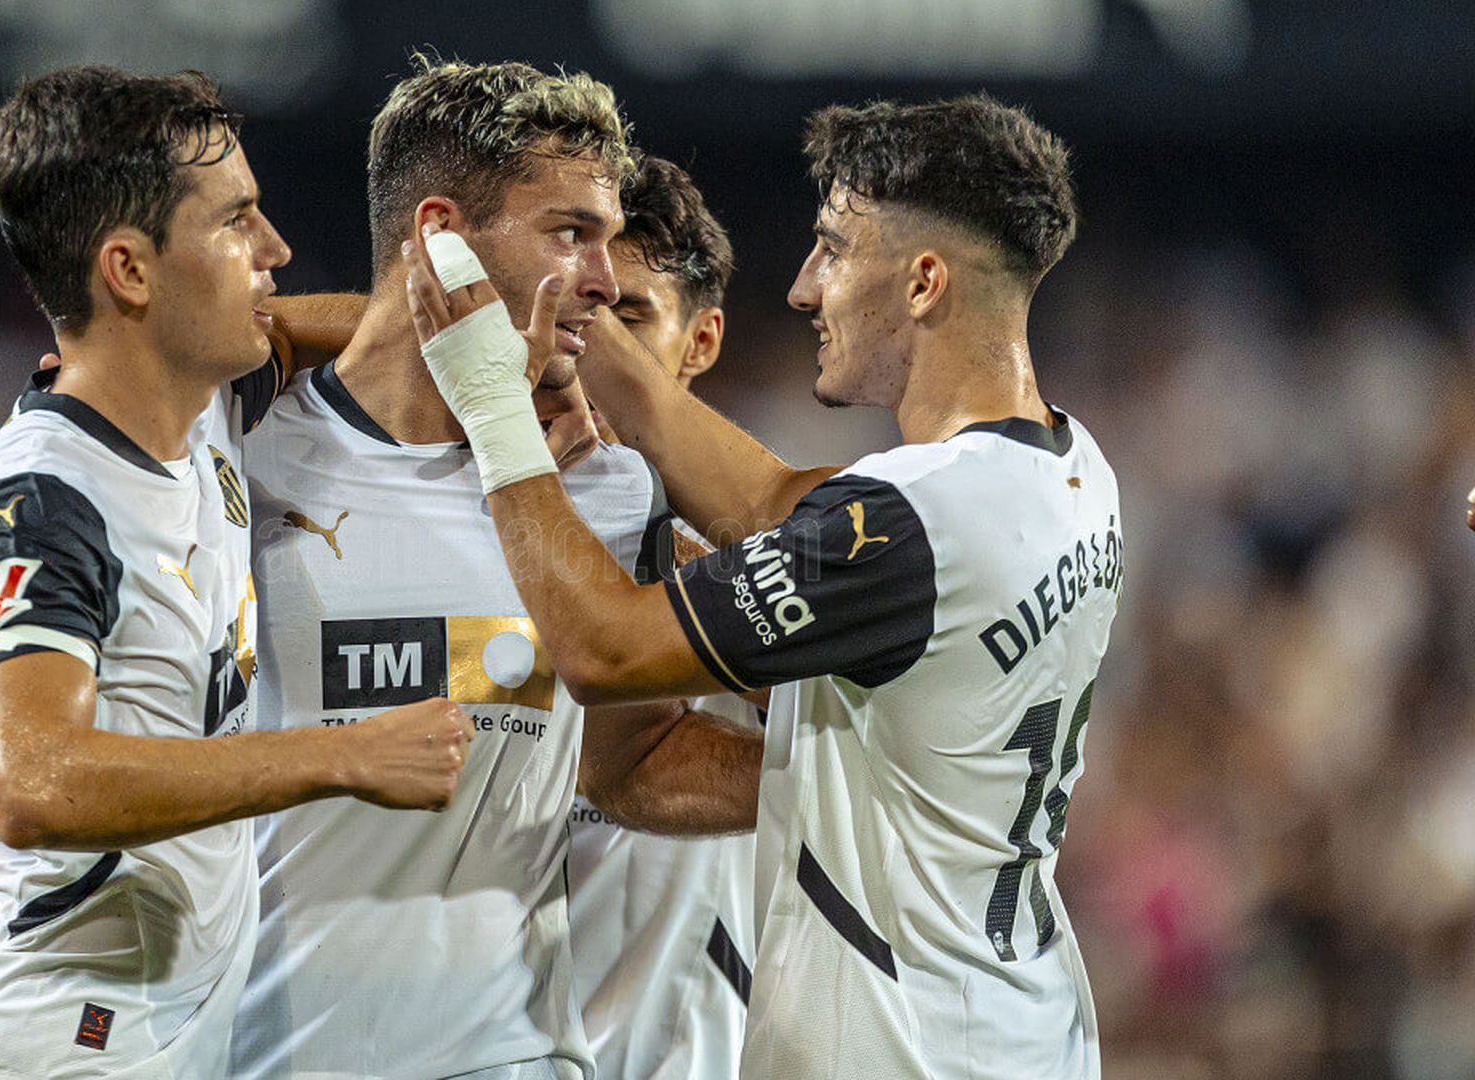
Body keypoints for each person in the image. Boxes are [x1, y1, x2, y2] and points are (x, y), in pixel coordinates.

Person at [407, 95, 1119, 1079]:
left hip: (912, 1053)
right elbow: (767, 501)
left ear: (923, 282)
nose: (801, 287)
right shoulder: (1070, 468)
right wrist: (571, 308)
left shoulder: (913, 525)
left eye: (833, 250)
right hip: (1021, 1025)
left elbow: (604, 652)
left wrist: (492, 404)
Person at [0, 66, 473, 1079]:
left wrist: (497, 350)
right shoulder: (36, 503)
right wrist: (339, 755)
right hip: (58, 1053)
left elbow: (321, 330)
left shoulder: (205, 415)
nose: (275, 250)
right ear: (129, 271)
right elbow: (32, 779)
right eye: (236, 222)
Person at [228, 57, 760, 1080]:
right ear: (439, 234)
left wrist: (850, 787)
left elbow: (626, 761)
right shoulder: (235, 456)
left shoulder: (608, 493)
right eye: (570, 234)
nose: (600, 281)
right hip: (261, 1055)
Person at [565, 154, 759, 1080]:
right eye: (573, 308)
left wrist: (660, 563)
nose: (583, 348)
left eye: (627, 317)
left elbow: (867, 721)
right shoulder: (434, 512)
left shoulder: (756, 552)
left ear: (701, 340)